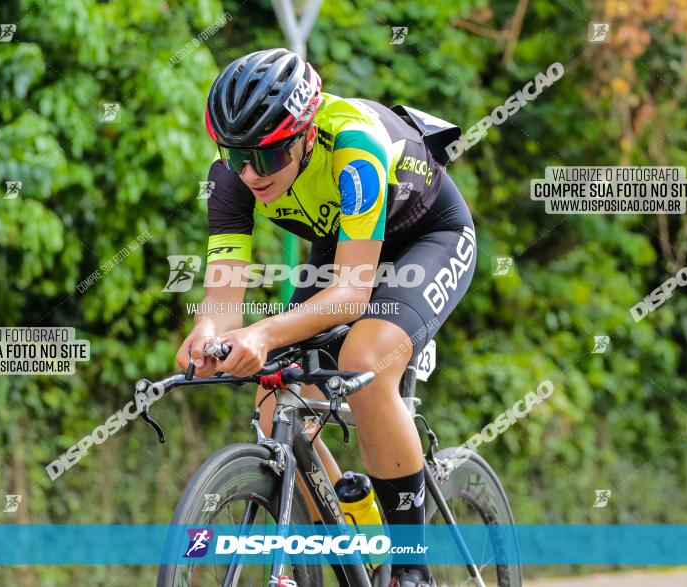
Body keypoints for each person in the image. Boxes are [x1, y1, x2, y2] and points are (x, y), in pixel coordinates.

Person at [175, 47, 476, 587]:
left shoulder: (352, 147)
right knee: (275, 397)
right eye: (234, 154)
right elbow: (224, 295)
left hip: (427, 239)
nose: (249, 173)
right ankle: (356, 536)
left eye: (265, 158)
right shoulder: (232, 177)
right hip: (345, 242)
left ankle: (411, 569)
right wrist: (208, 332)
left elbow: (350, 294)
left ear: (306, 135)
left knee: (366, 359)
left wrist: (262, 331)